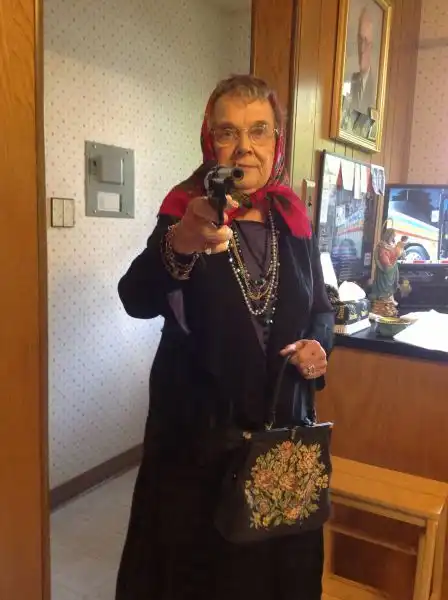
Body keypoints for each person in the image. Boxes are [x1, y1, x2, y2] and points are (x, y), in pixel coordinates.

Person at [115, 74, 334, 600]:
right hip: (199, 446)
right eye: (227, 132)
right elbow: (135, 297)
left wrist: (318, 346)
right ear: (209, 140)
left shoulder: (294, 219)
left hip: (280, 444)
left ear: (277, 140)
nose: (244, 147)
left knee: (276, 580)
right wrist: (181, 243)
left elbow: (320, 310)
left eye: (258, 131)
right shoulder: (186, 209)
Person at [349, 7, 377, 115]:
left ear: (373, 45)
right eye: (360, 39)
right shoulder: (353, 80)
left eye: (366, 41)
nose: (361, 48)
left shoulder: (378, 88)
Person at [371, 228, 406, 304]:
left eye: (394, 236)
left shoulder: (391, 245)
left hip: (391, 271)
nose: (393, 238)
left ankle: (389, 299)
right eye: (392, 236)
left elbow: (395, 255)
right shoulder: (382, 246)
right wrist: (390, 264)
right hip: (385, 272)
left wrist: (400, 248)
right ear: (388, 235)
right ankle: (383, 301)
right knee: (384, 290)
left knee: (390, 290)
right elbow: (384, 260)